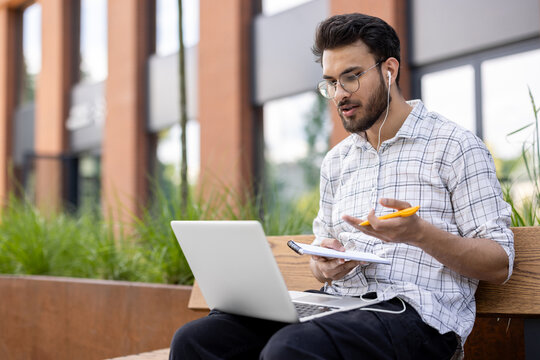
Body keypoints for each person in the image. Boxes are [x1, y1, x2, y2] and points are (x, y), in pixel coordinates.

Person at [169, 13, 514, 360]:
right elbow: (321, 261)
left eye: (350, 78)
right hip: (338, 307)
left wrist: (419, 234)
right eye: (331, 83)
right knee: (198, 340)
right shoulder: (337, 162)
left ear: (389, 69)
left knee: (290, 348)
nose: (339, 95)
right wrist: (324, 264)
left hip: (418, 318)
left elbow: (499, 263)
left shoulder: (455, 146)